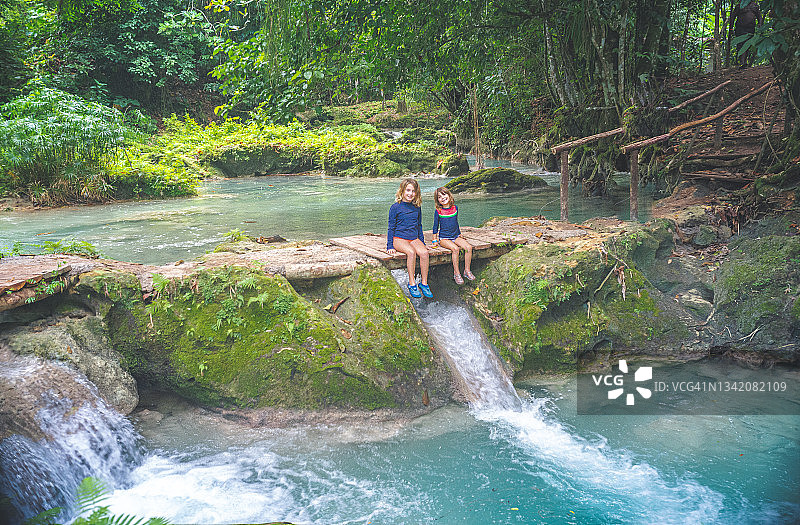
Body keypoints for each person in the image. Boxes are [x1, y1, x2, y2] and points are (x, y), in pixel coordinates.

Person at [387, 178, 433, 298]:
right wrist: (390, 246)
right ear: (402, 191)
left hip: (413, 238)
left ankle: (424, 283)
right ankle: (412, 283)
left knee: (424, 253)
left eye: (413, 191)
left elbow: (419, 226)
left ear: (416, 193)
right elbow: (391, 227)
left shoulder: (417, 207)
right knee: (411, 252)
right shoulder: (395, 207)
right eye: (408, 190)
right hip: (399, 238)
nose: (410, 193)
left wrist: (422, 242)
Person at [432, 187, 474, 285]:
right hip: (444, 238)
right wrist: (434, 239)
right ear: (437, 200)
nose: (442, 198)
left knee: (468, 247)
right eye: (439, 197)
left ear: (449, 195)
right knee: (455, 249)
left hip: (455, 236)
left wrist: (459, 234)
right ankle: (456, 273)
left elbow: (456, 223)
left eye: (444, 194)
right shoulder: (438, 211)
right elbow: (435, 226)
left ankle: (467, 271)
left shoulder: (455, 208)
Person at [731, 0, 762, 67]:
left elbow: (759, 16)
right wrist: (731, 28)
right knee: (740, 44)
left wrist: (760, 24)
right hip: (740, 28)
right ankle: (742, 62)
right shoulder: (739, 5)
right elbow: (733, 17)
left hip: (750, 28)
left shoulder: (754, 6)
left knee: (747, 44)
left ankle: (745, 61)